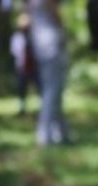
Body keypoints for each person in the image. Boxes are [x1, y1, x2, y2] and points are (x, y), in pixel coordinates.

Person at [28, 0, 70, 145]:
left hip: (40, 46)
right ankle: (44, 134)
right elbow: (55, 13)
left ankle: (61, 133)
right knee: (52, 91)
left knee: (53, 91)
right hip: (51, 45)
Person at [10, 14, 36, 116]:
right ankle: (22, 108)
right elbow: (15, 53)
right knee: (21, 89)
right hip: (21, 67)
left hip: (34, 67)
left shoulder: (33, 36)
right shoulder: (16, 37)